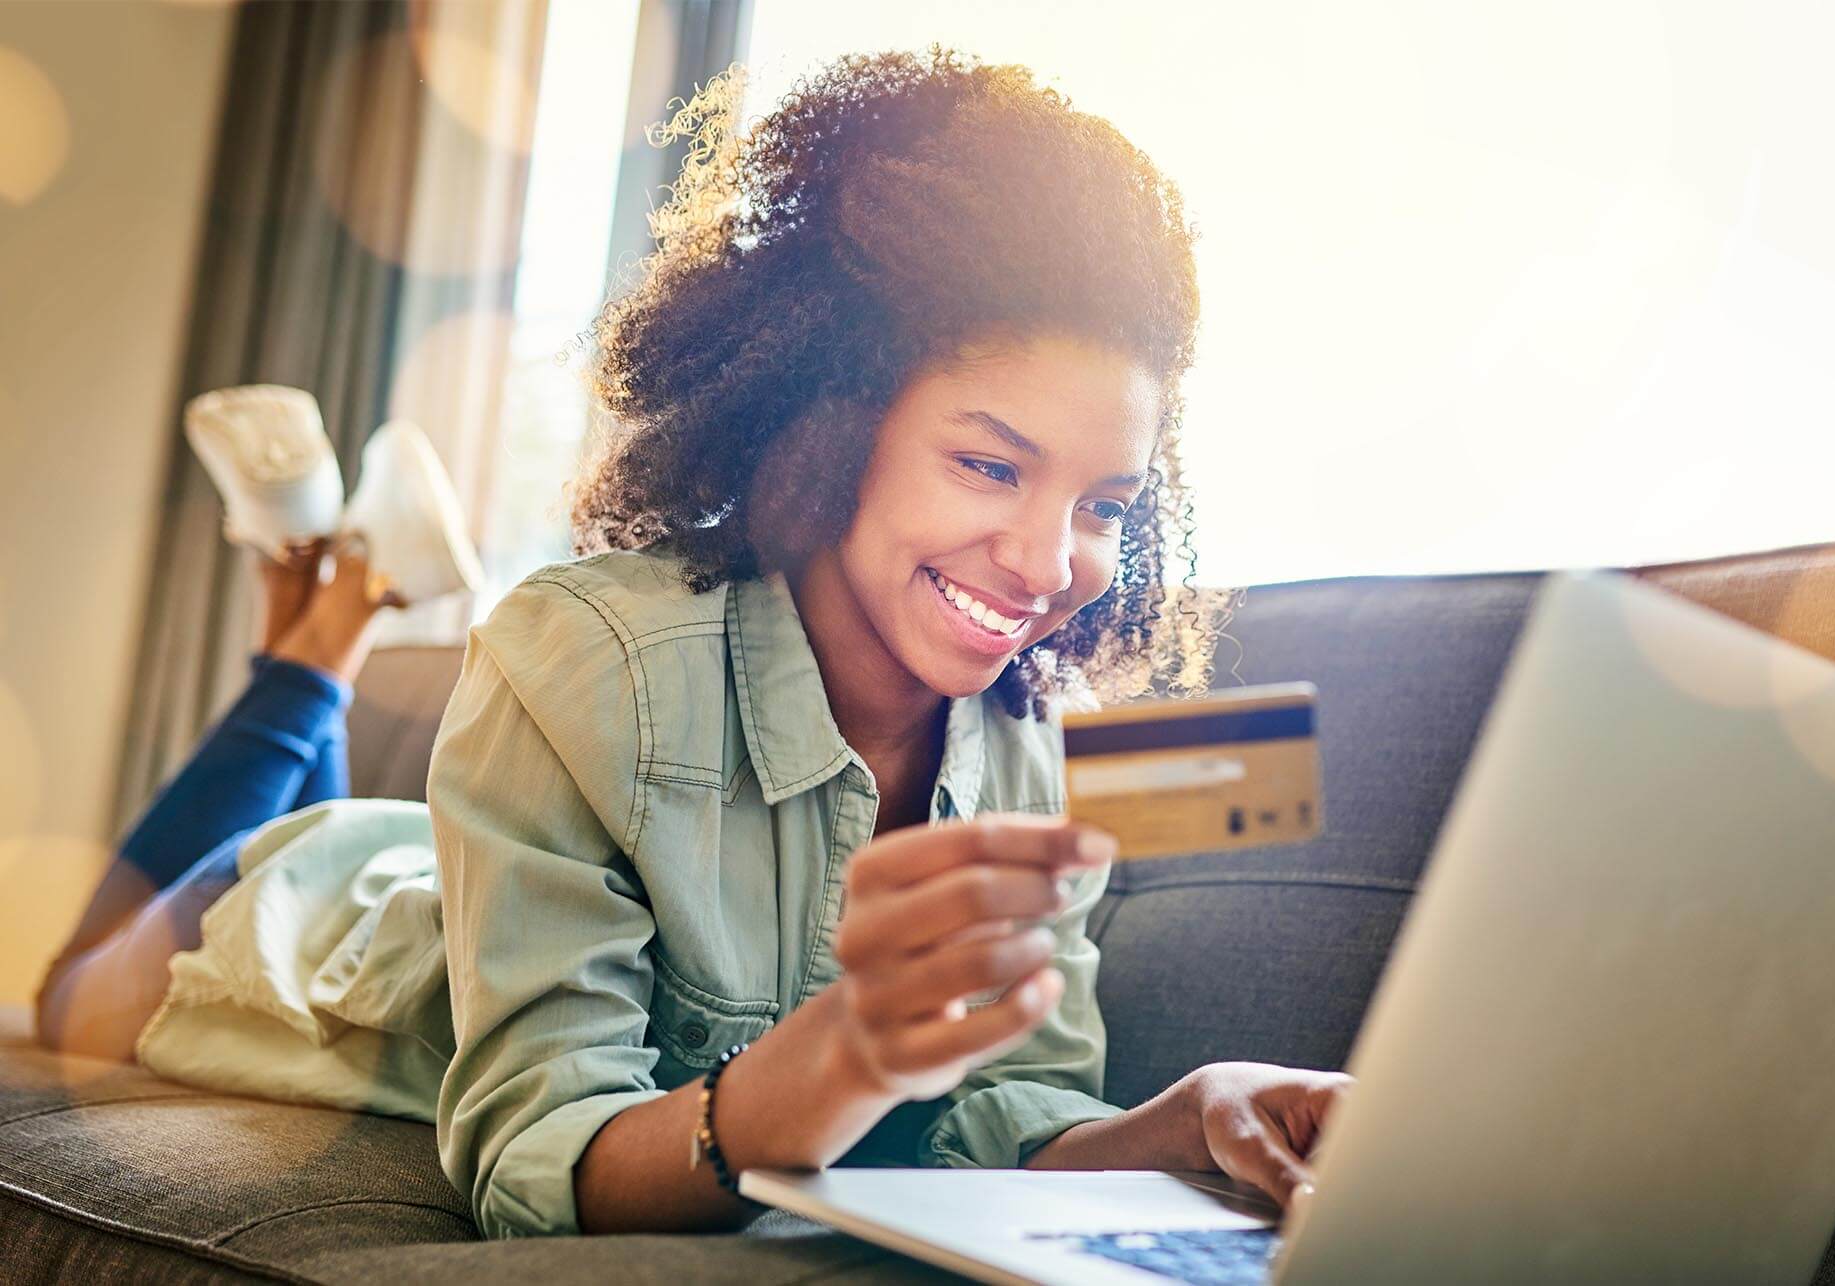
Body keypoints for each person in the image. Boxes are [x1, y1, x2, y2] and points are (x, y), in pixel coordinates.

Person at [37, 47, 1352, 1242]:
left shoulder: (1022, 744)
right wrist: (840, 1054)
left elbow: (998, 1115)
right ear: (829, 417)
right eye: (989, 463)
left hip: (462, 872)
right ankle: (316, 640)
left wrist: (1181, 1118)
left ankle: (332, 597)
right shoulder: (584, 654)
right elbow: (532, 1158)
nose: (1048, 559)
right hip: (289, 931)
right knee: (65, 997)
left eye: (1104, 507)